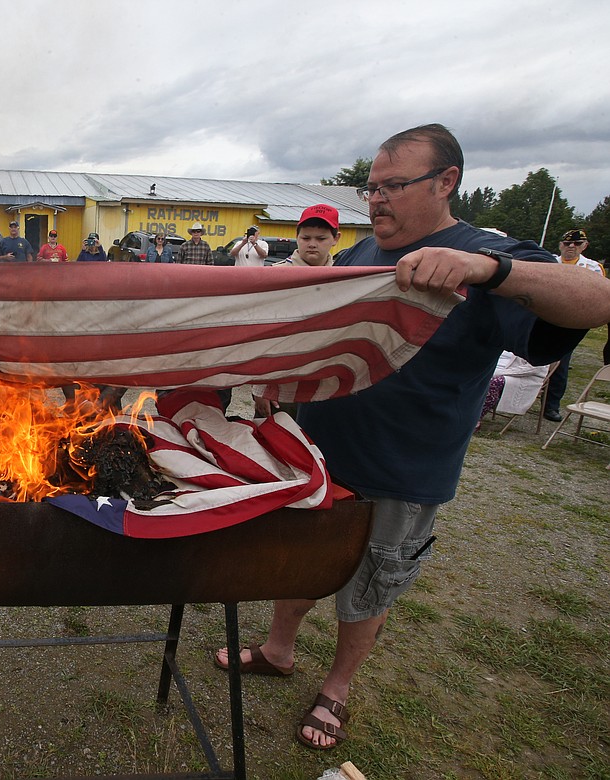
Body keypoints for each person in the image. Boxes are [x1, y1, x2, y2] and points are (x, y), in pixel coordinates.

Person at [214, 123, 610, 751]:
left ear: (446, 181)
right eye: (371, 187)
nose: (376, 199)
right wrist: (280, 383)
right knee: (298, 561)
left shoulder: (486, 253)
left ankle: (337, 688)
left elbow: (597, 299)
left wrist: (489, 269)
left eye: (394, 185)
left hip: (404, 466)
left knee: (372, 582)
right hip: (315, 454)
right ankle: (278, 649)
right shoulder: (360, 254)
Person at [252, 205, 342, 418]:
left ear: (336, 238)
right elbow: (257, 333)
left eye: (321, 239)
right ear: (297, 237)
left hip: (326, 383)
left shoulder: (344, 279)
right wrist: (259, 387)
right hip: (281, 382)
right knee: (278, 443)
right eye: (306, 238)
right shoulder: (275, 277)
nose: (312, 244)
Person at [543, 229, 605, 421]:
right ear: (560, 245)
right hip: (543, 316)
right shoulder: (548, 262)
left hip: (570, 321)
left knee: (560, 364)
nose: (571, 247)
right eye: (567, 243)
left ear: (584, 246)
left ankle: (551, 406)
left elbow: (599, 296)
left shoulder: (593, 268)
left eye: (577, 244)